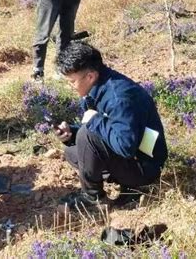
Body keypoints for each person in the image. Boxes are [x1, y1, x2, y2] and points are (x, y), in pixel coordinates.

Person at [54, 42, 168, 209]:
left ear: (90, 76)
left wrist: (93, 122)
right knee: (73, 150)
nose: (70, 86)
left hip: (144, 166)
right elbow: (108, 130)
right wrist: (72, 132)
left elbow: (125, 147)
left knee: (86, 136)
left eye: (72, 82)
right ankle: (129, 186)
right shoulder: (98, 85)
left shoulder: (118, 98)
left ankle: (93, 197)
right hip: (131, 155)